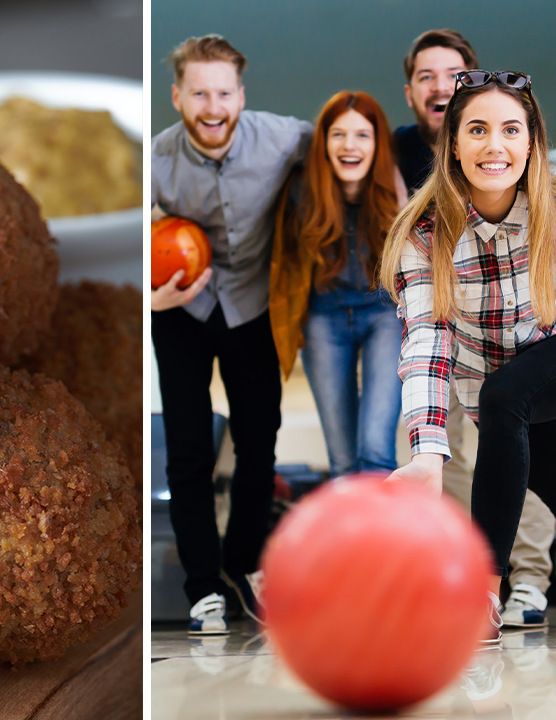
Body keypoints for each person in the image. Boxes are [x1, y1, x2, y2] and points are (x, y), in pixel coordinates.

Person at [380, 69, 556, 640]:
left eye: (511, 129)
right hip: (491, 376)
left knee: (505, 395)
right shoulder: (422, 234)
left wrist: (541, 359)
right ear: (452, 144)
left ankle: (484, 594)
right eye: (477, 130)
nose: (494, 145)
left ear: (531, 143)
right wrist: (428, 452)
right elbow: (426, 343)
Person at [151, 35, 313, 636]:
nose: (212, 106)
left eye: (223, 92)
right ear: (177, 97)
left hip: (251, 305)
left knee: (258, 444)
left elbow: (345, 154)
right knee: (189, 452)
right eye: (199, 93)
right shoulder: (155, 159)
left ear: (241, 95)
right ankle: (201, 591)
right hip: (179, 308)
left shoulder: (283, 136)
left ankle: (242, 567)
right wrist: (149, 296)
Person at [395, 29, 556, 628]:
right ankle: (463, 579)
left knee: (524, 447)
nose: (440, 85)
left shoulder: (543, 192)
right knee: (438, 454)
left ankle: (529, 581)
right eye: (427, 76)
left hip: (517, 334)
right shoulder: (400, 163)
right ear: (411, 90)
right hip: (444, 327)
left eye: (452, 74)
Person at [268, 91, 404, 478]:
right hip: (323, 317)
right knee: (343, 460)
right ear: (323, 143)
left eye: (363, 135)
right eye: (338, 134)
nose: (349, 145)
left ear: (377, 144)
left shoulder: (394, 191)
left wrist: (398, 193)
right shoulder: (301, 191)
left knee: (376, 450)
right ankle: (351, 540)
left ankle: (383, 540)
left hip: (383, 314)